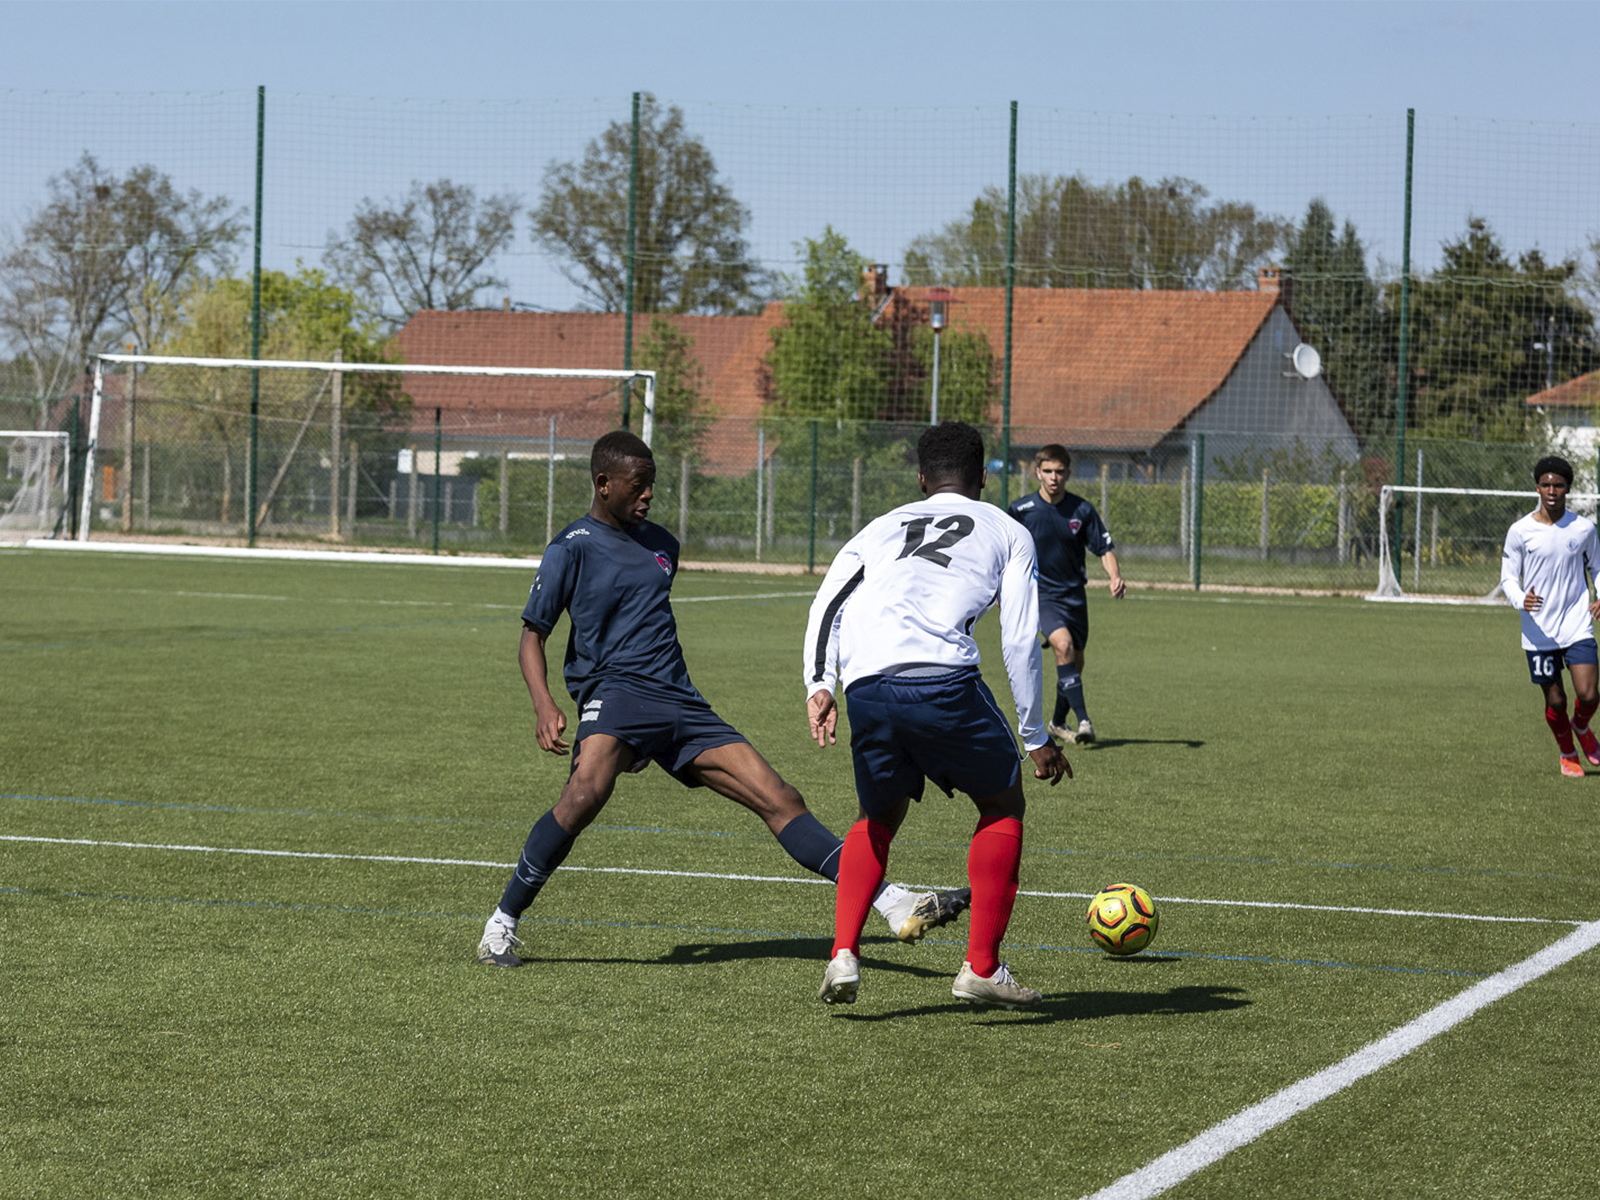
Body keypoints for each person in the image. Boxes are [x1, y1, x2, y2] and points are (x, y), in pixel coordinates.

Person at [477, 430, 969, 967]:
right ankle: (501, 925)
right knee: (582, 797)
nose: (648, 495)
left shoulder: (663, 546)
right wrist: (544, 703)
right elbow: (533, 635)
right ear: (603, 484)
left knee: (780, 796)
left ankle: (891, 902)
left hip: (680, 702)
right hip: (615, 695)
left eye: (653, 486)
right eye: (638, 486)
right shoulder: (569, 547)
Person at [803, 421, 1070, 1009]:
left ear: (922, 480)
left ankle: (844, 952)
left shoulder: (879, 527)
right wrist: (1034, 736)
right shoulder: (1007, 528)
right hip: (943, 682)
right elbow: (1021, 637)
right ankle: (981, 967)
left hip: (868, 685)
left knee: (877, 815)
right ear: (981, 478)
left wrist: (819, 684)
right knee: (1002, 803)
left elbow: (829, 603)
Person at [1006, 444, 1126, 744]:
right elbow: (1002, 552)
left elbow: (1104, 547)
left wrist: (1115, 576)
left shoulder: (1082, 510)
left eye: (1059, 471)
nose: (1053, 477)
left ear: (1068, 473)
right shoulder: (1021, 511)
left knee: (1073, 662)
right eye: (1047, 471)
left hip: (1075, 598)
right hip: (1042, 596)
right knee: (1062, 645)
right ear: (1037, 472)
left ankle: (1058, 723)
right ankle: (1084, 721)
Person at [1499, 454, 1600, 778]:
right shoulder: (1520, 530)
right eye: (1546, 484)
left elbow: (1597, 567)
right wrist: (1519, 599)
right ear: (1537, 487)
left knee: (1588, 693)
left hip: (1576, 621)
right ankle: (1567, 753)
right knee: (1555, 700)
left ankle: (1581, 726)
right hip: (1538, 629)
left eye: (1558, 484)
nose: (1552, 490)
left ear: (1567, 487)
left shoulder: (1583, 528)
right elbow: (1508, 577)